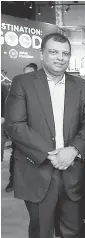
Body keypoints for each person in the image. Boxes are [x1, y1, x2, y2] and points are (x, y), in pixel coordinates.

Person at [5, 33, 85, 238]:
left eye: (65, 53)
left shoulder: (83, 87)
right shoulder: (23, 83)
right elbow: (15, 125)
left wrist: (72, 150)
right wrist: (53, 154)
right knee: (41, 231)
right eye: (54, 52)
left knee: (72, 231)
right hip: (36, 169)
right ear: (42, 54)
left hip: (72, 171)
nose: (60, 57)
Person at [5, 62, 38, 192]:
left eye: (29, 74)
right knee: (16, 155)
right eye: (25, 74)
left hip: (35, 130)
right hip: (19, 130)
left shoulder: (40, 89)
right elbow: (9, 107)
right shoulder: (16, 87)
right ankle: (13, 181)